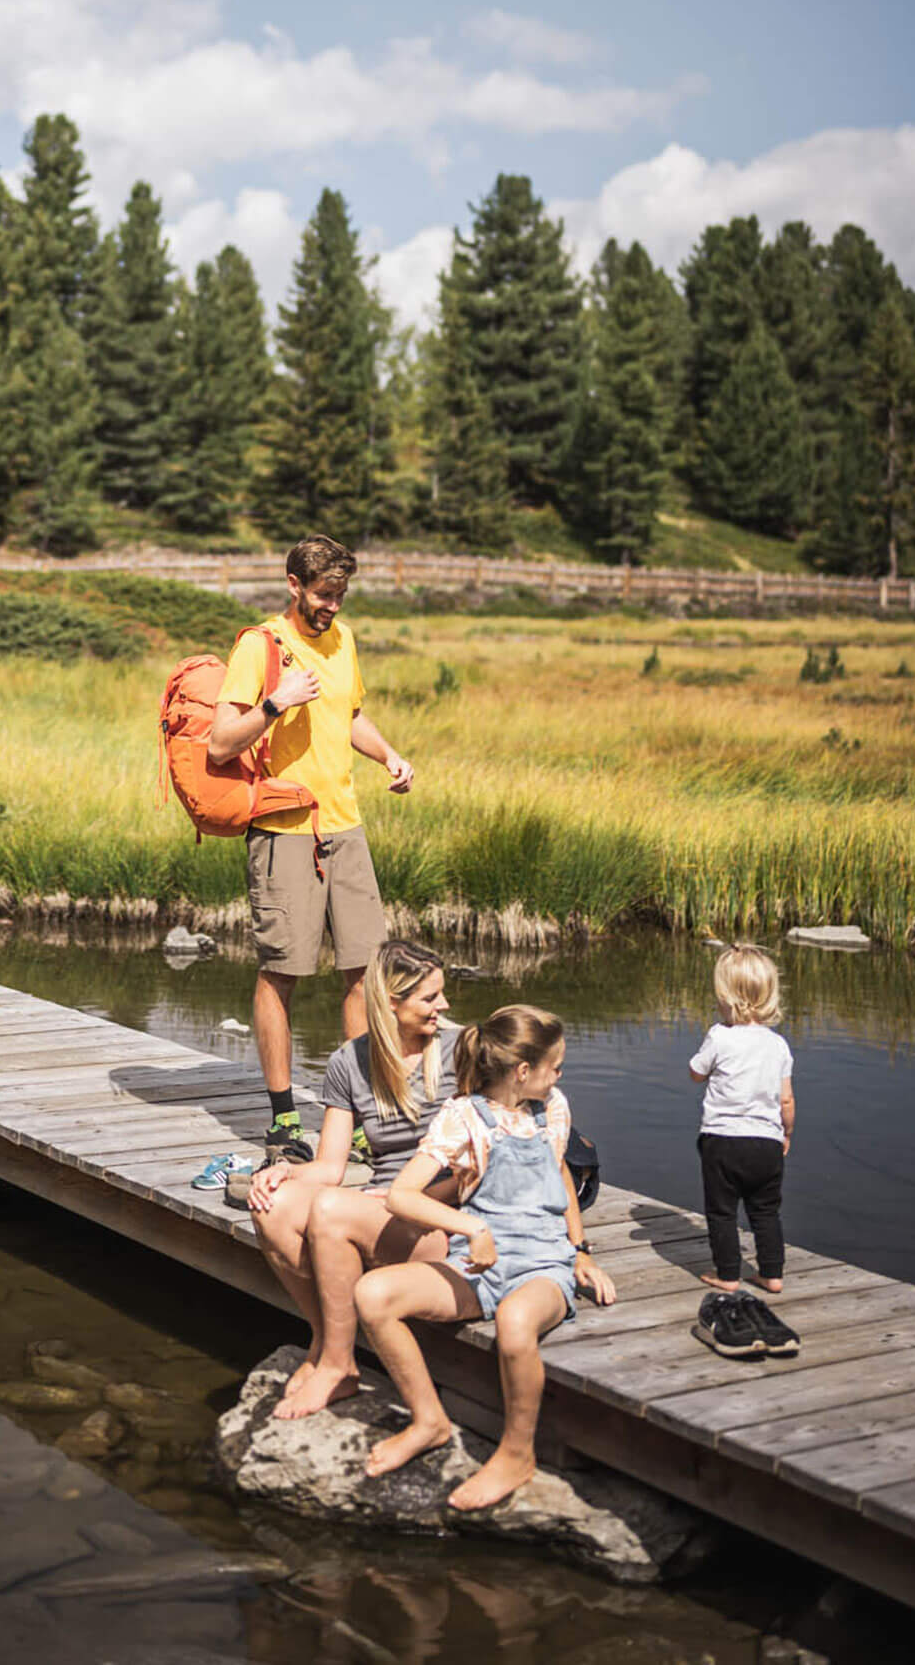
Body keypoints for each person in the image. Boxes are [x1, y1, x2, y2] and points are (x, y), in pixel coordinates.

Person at [353, 1004, 615, 1511]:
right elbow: (402, 1196)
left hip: (543, 1266)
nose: (560, 1075)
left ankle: (517, 1454)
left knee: (516, 1322)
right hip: (479, 1266)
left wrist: (579, 1251)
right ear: (523, 1071)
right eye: (554, 1065)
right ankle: (428, 1419)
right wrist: (470, 1226)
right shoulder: (464, 1117)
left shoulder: (553, 1108)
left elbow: (560, 1173)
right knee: (373, 1294)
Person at [209, 532, 414, 1162]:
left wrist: (389, 754)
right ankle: (282, 1121)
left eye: (341, 595)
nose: (332, 606)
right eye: (324, 595)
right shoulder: (259, 645)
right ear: (294, 585)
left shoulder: (344, 640)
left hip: (344, 827)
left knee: (362, 972)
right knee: (283, 973)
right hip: (283, 832)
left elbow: (349, 715)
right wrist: (276, 702)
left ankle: (352, 1114)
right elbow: (220, 744)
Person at [247, 940, 459, 1420]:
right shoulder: (348, 1062)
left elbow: (486, 1164)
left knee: (329, 1209)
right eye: (430, 998)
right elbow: (330, 1168)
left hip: (442, 1218)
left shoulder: (461, 1051)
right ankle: (325, 1341)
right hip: (379, 1209)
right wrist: (284, 1172)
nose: (443, 1007)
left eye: (441, 995)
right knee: (272, 1204)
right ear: (390, 1004)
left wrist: (411, 1198)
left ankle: (339, 1366)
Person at [689, 944, 795, 1294]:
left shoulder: (720, 1035)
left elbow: (696, 1072)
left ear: (725, 997)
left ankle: (729, 1275)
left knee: (721, 1211)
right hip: (766, 1141)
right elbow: (786, 1099)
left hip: (723, 1140)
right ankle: (772, 1274)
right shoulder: (778, 1045)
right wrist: (787, 1134)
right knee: (765, 1211)